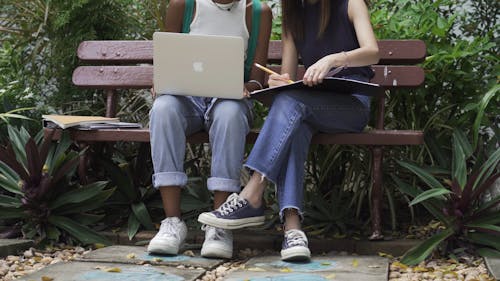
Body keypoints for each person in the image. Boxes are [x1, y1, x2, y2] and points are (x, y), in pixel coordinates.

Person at [198, 0, 379, 261]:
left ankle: (252, 193)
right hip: (311, 105)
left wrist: (333, 59)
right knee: (295, 120)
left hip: (351, 105)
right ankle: (293, 231)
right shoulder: (294, 15)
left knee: (293, 105)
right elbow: (288, 80)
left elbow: (372, 52)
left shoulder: (351, 3)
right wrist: (279, 81)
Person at [148, 0, 272, 259]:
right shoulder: (183, 6)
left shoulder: (258, 12)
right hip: (187, 100)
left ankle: (219, 227)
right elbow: (167, 62)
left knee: (229, 114)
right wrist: (161, 82)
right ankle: (172, 222)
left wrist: (247, 87)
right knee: (163, 109)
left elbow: (258, 80)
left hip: (229, 101)